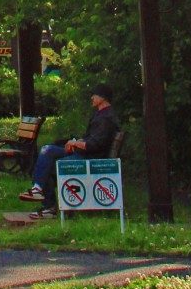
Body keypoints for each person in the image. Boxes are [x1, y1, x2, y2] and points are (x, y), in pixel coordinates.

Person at [20, 85, 120, 215]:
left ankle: (48, 207)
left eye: (94, 95)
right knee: (47, 150)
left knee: (48, 166)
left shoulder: (106, 119)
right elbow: (91, 139)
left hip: (92, 158)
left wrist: (75, 143)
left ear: (103, 98)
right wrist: (77, 142)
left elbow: (94, 146)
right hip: (85, 153)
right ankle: (37, 190)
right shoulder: (101, 115)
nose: (92, 97)